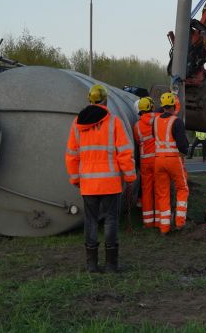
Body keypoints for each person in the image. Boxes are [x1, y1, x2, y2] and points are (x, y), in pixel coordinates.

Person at [65, 84, 136, 273]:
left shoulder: (77, 124)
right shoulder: (114, 122)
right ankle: (111, 265)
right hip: (111, 183)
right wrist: (129, 176)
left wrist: (75, 179)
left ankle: (91, 265)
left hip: (88, 184)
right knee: (111, 221)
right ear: (105, 100)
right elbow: (124, 152)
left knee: (91, 221)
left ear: (89, 100)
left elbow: (72, 155)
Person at [153, 92, 190, 235]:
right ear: (174, 105)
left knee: (163, 194)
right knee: (182, 188)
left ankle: (164, 227)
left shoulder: (155, 121)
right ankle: (180, 222)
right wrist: (186, 151)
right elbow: (182, 145)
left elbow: (154, 136)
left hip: (158, 160)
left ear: (162, 106)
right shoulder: (177, 121)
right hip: (173, 159)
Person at [133, 96, 158, 229]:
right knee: (160, 189)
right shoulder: (157, 119)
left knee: (146, 191)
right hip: (158, 159)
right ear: (151, 107)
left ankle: (148, 221)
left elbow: (138, 141)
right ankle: (160, 220)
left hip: (144, 161)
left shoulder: (136, 126)